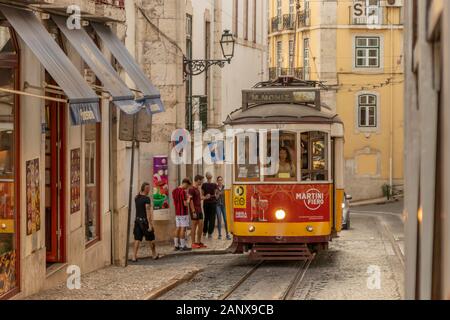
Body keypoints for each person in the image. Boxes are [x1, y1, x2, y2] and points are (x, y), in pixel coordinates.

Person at [132, 182, 160, 262]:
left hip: (137, 221)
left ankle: (134, 256)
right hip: (145, 222)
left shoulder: (136, 197)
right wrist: (150, 225)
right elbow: (148, 212)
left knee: (137, 239)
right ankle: (154, 255)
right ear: (146, 189)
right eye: (148, 188)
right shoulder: (146, 199)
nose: (149, 189)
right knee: (151, 239)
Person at [189, 175, 209, 249]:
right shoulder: (191, 189)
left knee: (201, 225)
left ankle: (199, 242)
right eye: (201, 180)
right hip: (194, 210)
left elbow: (199, 198)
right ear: (198, 180)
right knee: (194, 226)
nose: (202, 182)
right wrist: (193, 211)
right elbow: (190, 201)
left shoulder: (198, 189)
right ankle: (193, 243)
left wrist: (206, 197)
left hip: (199, 209)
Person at [172, 178, 192, 251]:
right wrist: (189, 198)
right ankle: (183, 246)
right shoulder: (183, 192)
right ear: (185, 183)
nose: (187, 188)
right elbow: (185, 204)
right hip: (183, 212)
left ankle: (176, 245)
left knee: (177, 228)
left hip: (177, 212)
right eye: (188, 186)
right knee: (183, 229)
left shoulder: (174, 191)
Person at [201, 172, 218, 239]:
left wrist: (207, 196)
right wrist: (213, 196)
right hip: (212, 203)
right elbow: (216, 195)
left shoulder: (204, 185)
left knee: (207, 218)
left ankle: (205, 232)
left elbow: (202, 194)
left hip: (207, 203)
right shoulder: (214, 184)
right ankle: (209, 233)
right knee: (211, 218)